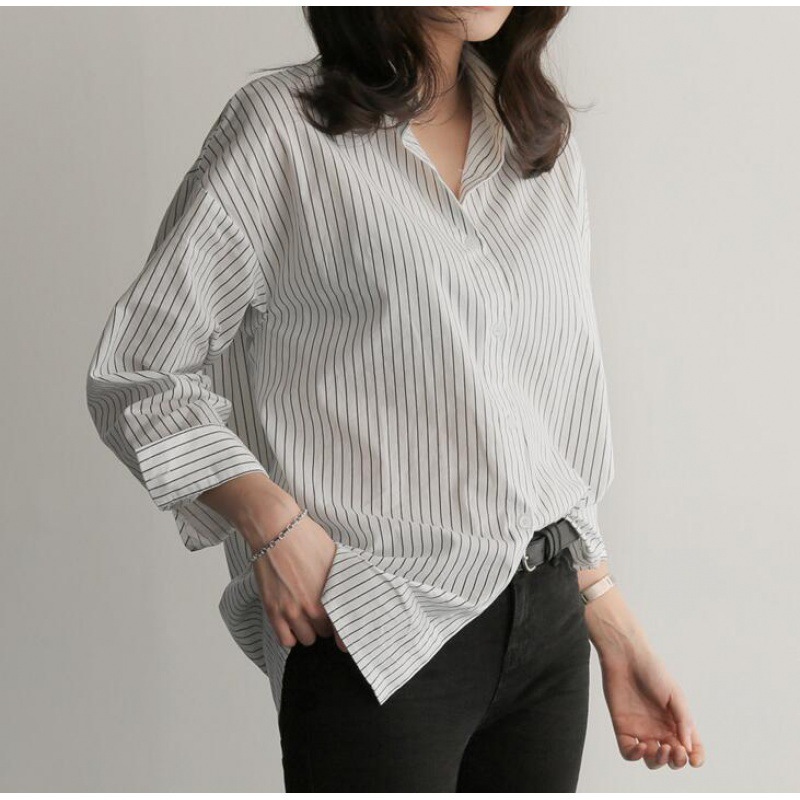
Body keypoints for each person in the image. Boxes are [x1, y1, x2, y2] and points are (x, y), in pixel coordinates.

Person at [85, 6, 705, 792]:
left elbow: (550, 406)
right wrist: (271, 521)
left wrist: (609, 614)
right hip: (375, 623)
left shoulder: (535, 137)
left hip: (546, 628)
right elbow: (140, 368)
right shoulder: (282, 131)